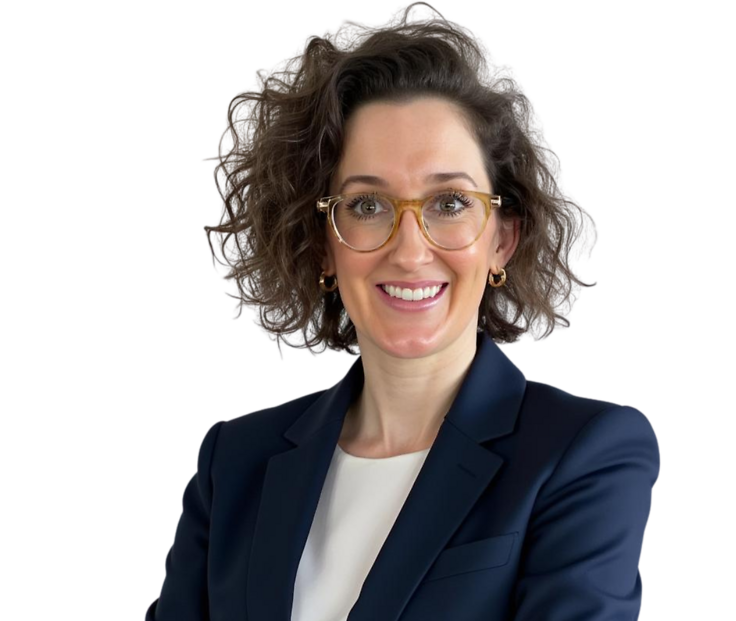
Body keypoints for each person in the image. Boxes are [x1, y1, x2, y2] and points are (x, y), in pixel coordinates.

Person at [146, 5, 661, 620]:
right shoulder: (234, 461)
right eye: (367, 206)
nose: (411, 249)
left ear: (502, 239)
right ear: (323, 246)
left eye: (449, 201)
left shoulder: (583, 453)